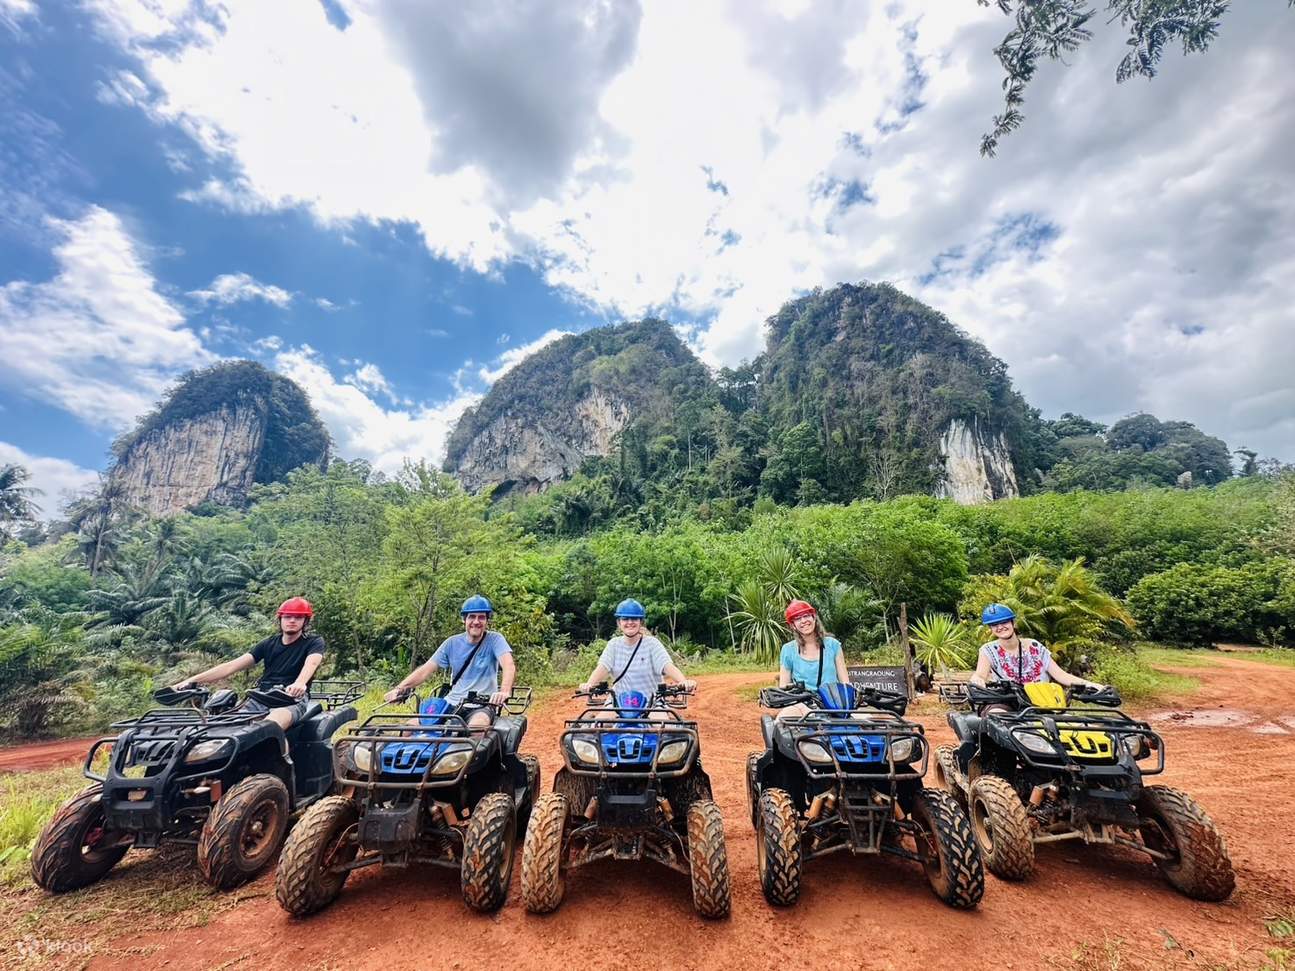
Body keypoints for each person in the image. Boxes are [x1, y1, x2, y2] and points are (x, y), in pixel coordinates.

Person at [172, 596, 325, 731]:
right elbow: (231, 666)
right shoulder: (268, 644)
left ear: (305, 621)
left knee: (269, 727)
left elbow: (311, 663)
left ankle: (280, 763)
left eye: (298, 617)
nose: (292, 621)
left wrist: (300, 683)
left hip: (291, 699)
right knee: (225, 726)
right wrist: (190, 681)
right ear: (280, 619)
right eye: (288, 617)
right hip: (261, 696)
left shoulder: (313, 642)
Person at [383, 595, 515, 729]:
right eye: (472, 617)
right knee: (410, 727)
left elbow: (508, 664)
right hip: (451, 703)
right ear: (464, 619)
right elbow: (425, 670)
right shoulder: (451, 643)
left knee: (477, 728)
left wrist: (504, 691)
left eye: (481, 617)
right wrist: (399, 689)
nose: (476, 621)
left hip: (482, 705)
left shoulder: (495, 640)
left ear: (487, 620)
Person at [578, 599, 695, 721]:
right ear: (619, 623)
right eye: (625, 619)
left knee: (663, 729)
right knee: (597, 727)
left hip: (652, 702)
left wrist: (683, 681)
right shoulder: (613, 645)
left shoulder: (652, 644)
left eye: (634, 619)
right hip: (618, 702)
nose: (630, 622)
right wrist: (589, 684)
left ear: (641, 622)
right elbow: (602, 668)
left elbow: (667, 666)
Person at [969, 603, 1102, 709]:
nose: (1000, 627)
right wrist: (977, 680)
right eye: (994, 625)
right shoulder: (988, 650)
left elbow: (1061, 675)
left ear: (1013, 623)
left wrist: (1092, 685)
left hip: (1043, 701)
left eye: (1004, 622)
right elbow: (980, 674)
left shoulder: (1035, 646)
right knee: (997, 716)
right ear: (990, 628)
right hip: (1007, 701)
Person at [776, 600, 850, 719]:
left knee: (867, 725)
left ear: (814, 617)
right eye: (798, 618)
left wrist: (847, 704)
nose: (804, 621)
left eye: (806, 616)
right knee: (780, 723)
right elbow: (784, 687)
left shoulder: (833, 645)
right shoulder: (788, 650)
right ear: (793, 625)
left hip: (833, 703)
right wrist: (800, 705)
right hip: (802, 705)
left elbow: (845, 683)